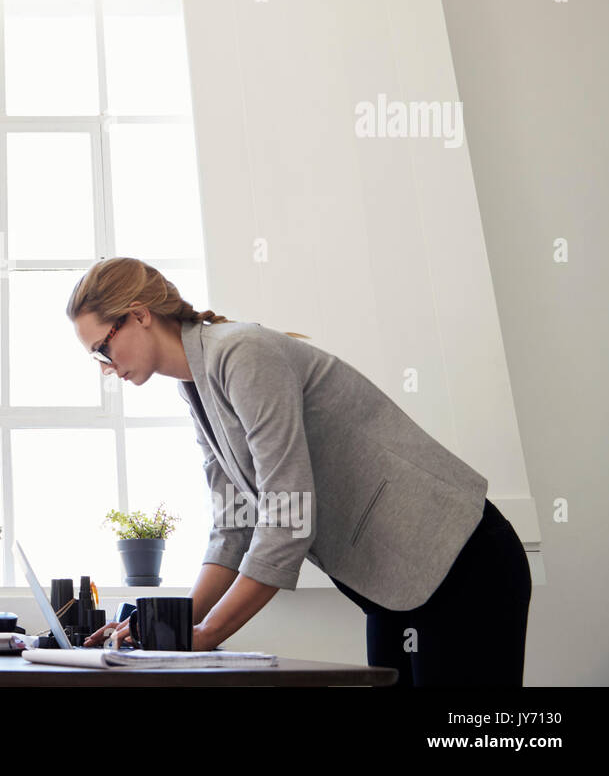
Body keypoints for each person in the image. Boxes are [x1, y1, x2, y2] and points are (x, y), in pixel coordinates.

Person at [68, 257, 531, 686]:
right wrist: (171, 622)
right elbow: (233, 526)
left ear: (139, 314)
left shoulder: (241, 353)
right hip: (395, 588)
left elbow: (288, 517)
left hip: (462, 561)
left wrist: (207, 634)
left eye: (103, 348)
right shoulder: (196, 390)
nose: (107, 368)